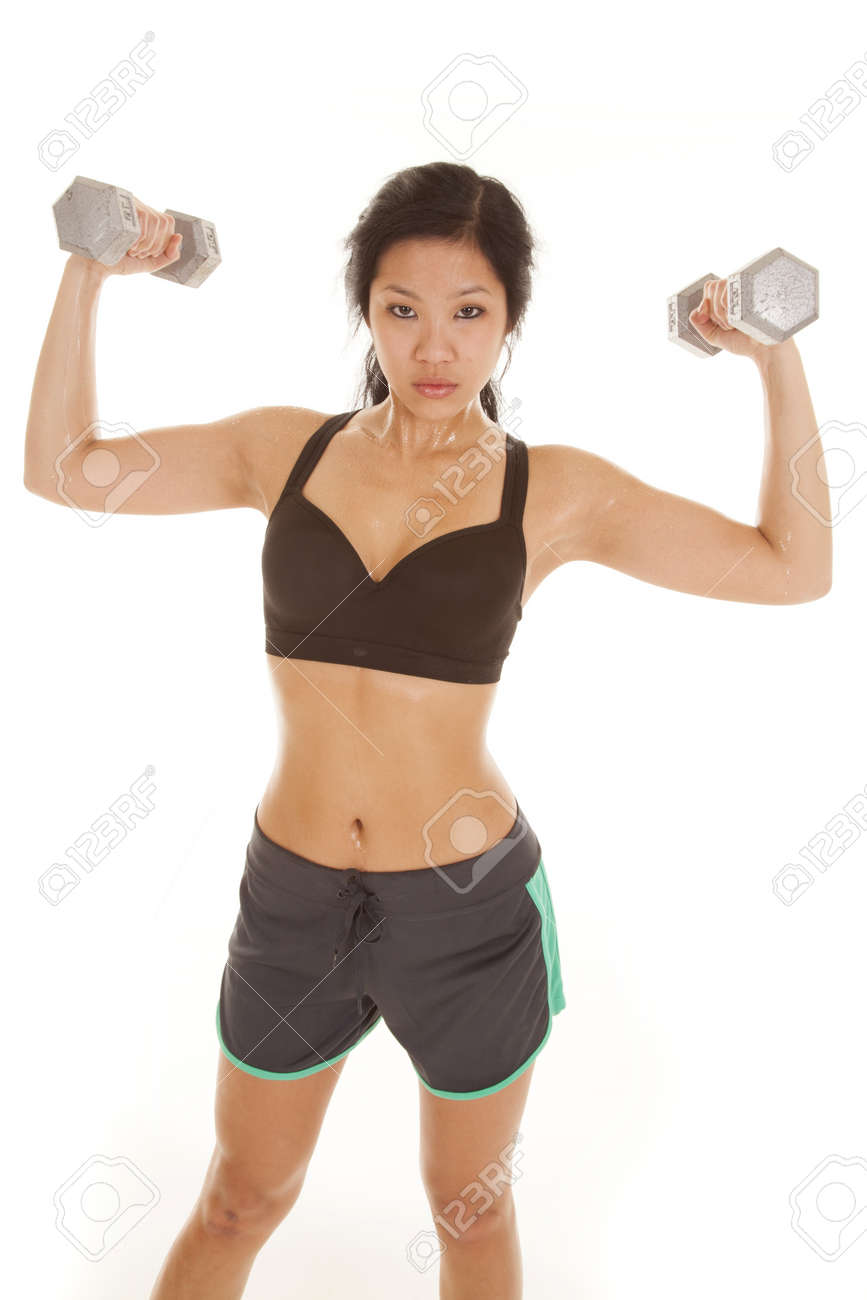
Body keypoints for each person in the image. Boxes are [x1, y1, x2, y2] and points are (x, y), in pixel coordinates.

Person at [24, 161, 831, 1300]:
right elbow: (63, 469)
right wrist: (88, 272)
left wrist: (773, 358)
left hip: (468, 907)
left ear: (509, 323)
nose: (435, 348)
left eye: (470, 313)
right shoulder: (282, 450)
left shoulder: (552, 493)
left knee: (469, 1211)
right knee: (238, 1198)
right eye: (403, 310)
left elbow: (793, 569)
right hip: (296, 900)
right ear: (367, 311)